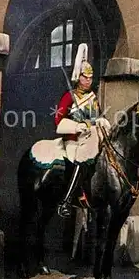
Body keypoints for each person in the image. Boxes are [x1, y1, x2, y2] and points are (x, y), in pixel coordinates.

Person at [55, 43, 110, 218]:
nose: (88, 81)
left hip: (93, 138)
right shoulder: (69, 96)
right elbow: (58, 120)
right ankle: (67, 199)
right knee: (81, 160)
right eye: (85, 77)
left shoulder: (93, 98)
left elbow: (97, 116)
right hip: (74, 139)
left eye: (90, 78)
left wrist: (101, 121)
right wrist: (77, 126)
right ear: (78, 77)